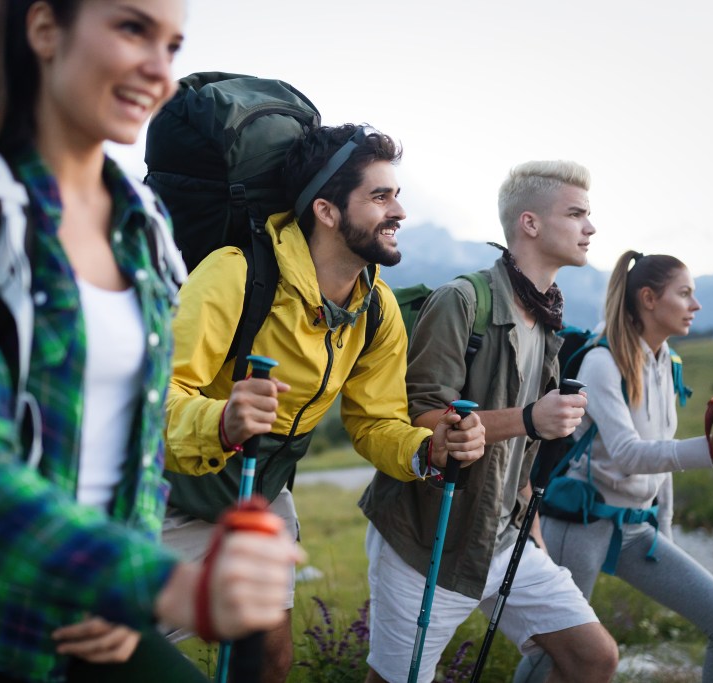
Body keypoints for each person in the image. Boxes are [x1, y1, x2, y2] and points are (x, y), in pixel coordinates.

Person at [0, 1, 300, 682]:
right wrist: (165, 585)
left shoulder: (145, 227)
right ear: (45, 27)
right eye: (133, 29)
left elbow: (135, 447)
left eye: (172, 46)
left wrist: (121, 580)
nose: (158, 70)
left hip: (89, 610)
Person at [162, 123, 487, 683]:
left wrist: (426, 448)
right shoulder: (234, 275)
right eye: (380, 196)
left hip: (260, 494)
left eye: (397, 195)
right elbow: (154, 399)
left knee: (268, 658)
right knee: (103, 648)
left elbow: (375, 422)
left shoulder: (377, 308)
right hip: (169, 492)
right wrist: (222, 419)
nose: (399, 211)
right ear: (328, 211)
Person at [360, 160, 620, 683]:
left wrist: (533, 529)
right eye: (577, 214)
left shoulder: (547, 321)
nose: (590, 228)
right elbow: (422, 421)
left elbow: (522, 455)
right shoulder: (462, 300)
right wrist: (529, 417)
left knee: (594, 657)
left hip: (504, 541)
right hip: (427, 540)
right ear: (530, 223)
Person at [515, 251, 713, 683]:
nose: (695, 306)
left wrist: (665, 535)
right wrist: (710, 448)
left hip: (636, 530)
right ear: (648, 298)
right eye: (684, 294)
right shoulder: (602, 362)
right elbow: (628, 453)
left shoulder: (667, 363)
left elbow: (660, 463)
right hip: (580, 525)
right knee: (552, 658)